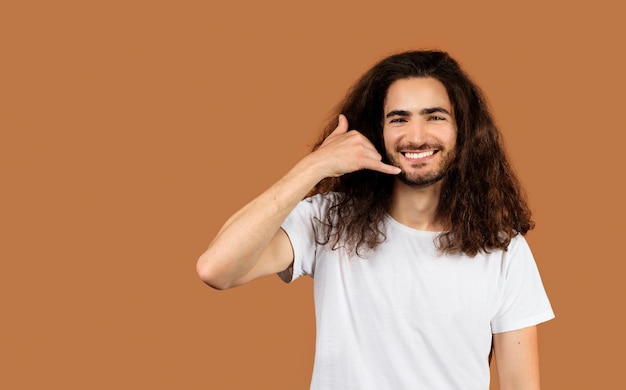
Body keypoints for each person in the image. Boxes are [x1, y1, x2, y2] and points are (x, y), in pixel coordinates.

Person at [197, 50, 554, 389]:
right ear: (377, 132)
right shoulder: (328, 220)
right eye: (399, 118)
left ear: (463, 132)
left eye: (435, 117)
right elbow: (217, 268)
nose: (415, 136)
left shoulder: (503, 249)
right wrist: (315, 165)